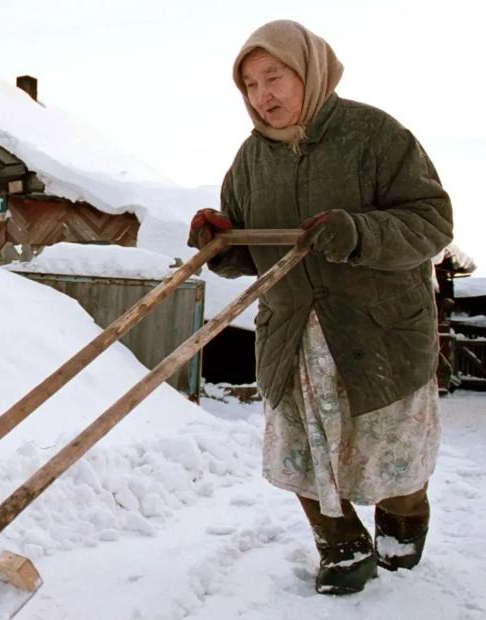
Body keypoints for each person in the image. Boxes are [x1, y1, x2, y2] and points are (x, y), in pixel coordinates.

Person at [188, 20, 453, 594]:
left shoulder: (375, 136)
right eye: (250, 84)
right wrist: (221, 240)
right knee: (300, 449)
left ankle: (403, 521)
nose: (263, 95)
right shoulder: (251, 159)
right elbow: (253, 255)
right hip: (293, 337)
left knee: (390, 450)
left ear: (309, 71)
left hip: (376, 333)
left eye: (274, 77)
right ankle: (340, 547)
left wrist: (359, 232)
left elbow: (431, 221)